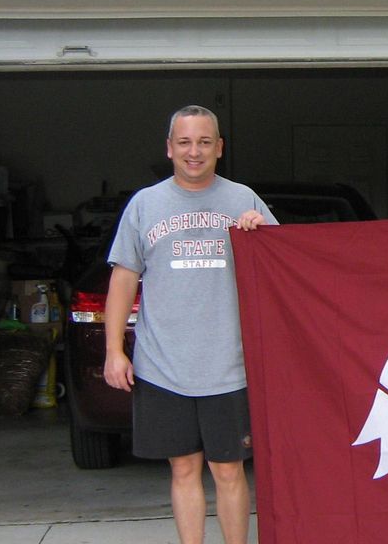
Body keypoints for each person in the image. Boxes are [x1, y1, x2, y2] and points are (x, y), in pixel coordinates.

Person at [103, 105, 277, 544]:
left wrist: (262, 237)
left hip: (229, 365)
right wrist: (113, 350)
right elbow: (124, 278)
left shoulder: (244, 200)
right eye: (184, 142)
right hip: (163, 365)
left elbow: (282, 268)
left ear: (219, 148)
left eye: (203, 142)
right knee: (182, 467)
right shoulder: (145, 204)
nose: (193, 152)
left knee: (228, 469)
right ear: (169, 148)